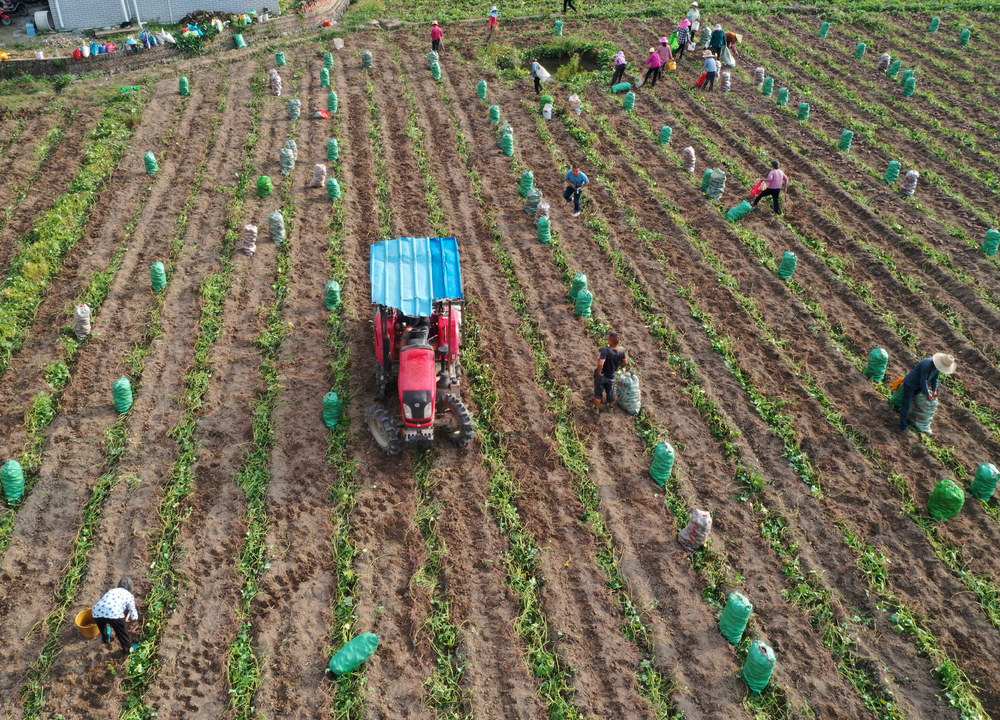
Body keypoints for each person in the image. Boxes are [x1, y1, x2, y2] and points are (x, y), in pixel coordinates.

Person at [899, 353, 956, 431]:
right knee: (907, 404)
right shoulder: (926, 364)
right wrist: (927, 393)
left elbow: (935, 379)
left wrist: (934, 390)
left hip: (918, 386)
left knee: (913, 402)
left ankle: (906, 416)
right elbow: (923, 380)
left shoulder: (937, 367)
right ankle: (903, 426)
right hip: (911, 384)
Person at [92, 577, 139, 655]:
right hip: (115, 614)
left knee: (102, 627)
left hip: (97, 612)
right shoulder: (129, 596)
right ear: (131, 588)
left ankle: (106, 639)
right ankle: (129, 648)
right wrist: (128, 623)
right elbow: (134, 616)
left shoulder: (112, 590)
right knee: (122, 633)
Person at [594, 331, 628, 412]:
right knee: (611, 392)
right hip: (612, 375)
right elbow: (625, 362)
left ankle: (596, 409)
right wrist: (618, 364)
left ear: (610, 341)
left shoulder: (606, 350)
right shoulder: (621, 351)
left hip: (602, 375)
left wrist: (599, 371)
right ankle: (610, 409)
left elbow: (600, 364)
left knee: (598, 392)